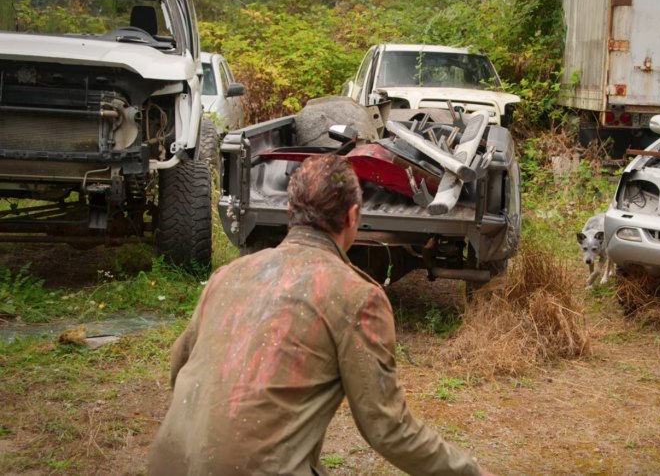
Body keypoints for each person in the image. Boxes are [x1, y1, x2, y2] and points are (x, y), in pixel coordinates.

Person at [148, 154, 489, 475]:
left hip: (167, 462)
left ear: (288, 209)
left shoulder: (228, 275)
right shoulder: (358, 297)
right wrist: (470, 471)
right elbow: (387, 429)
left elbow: (179, 368)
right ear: (353, 216)